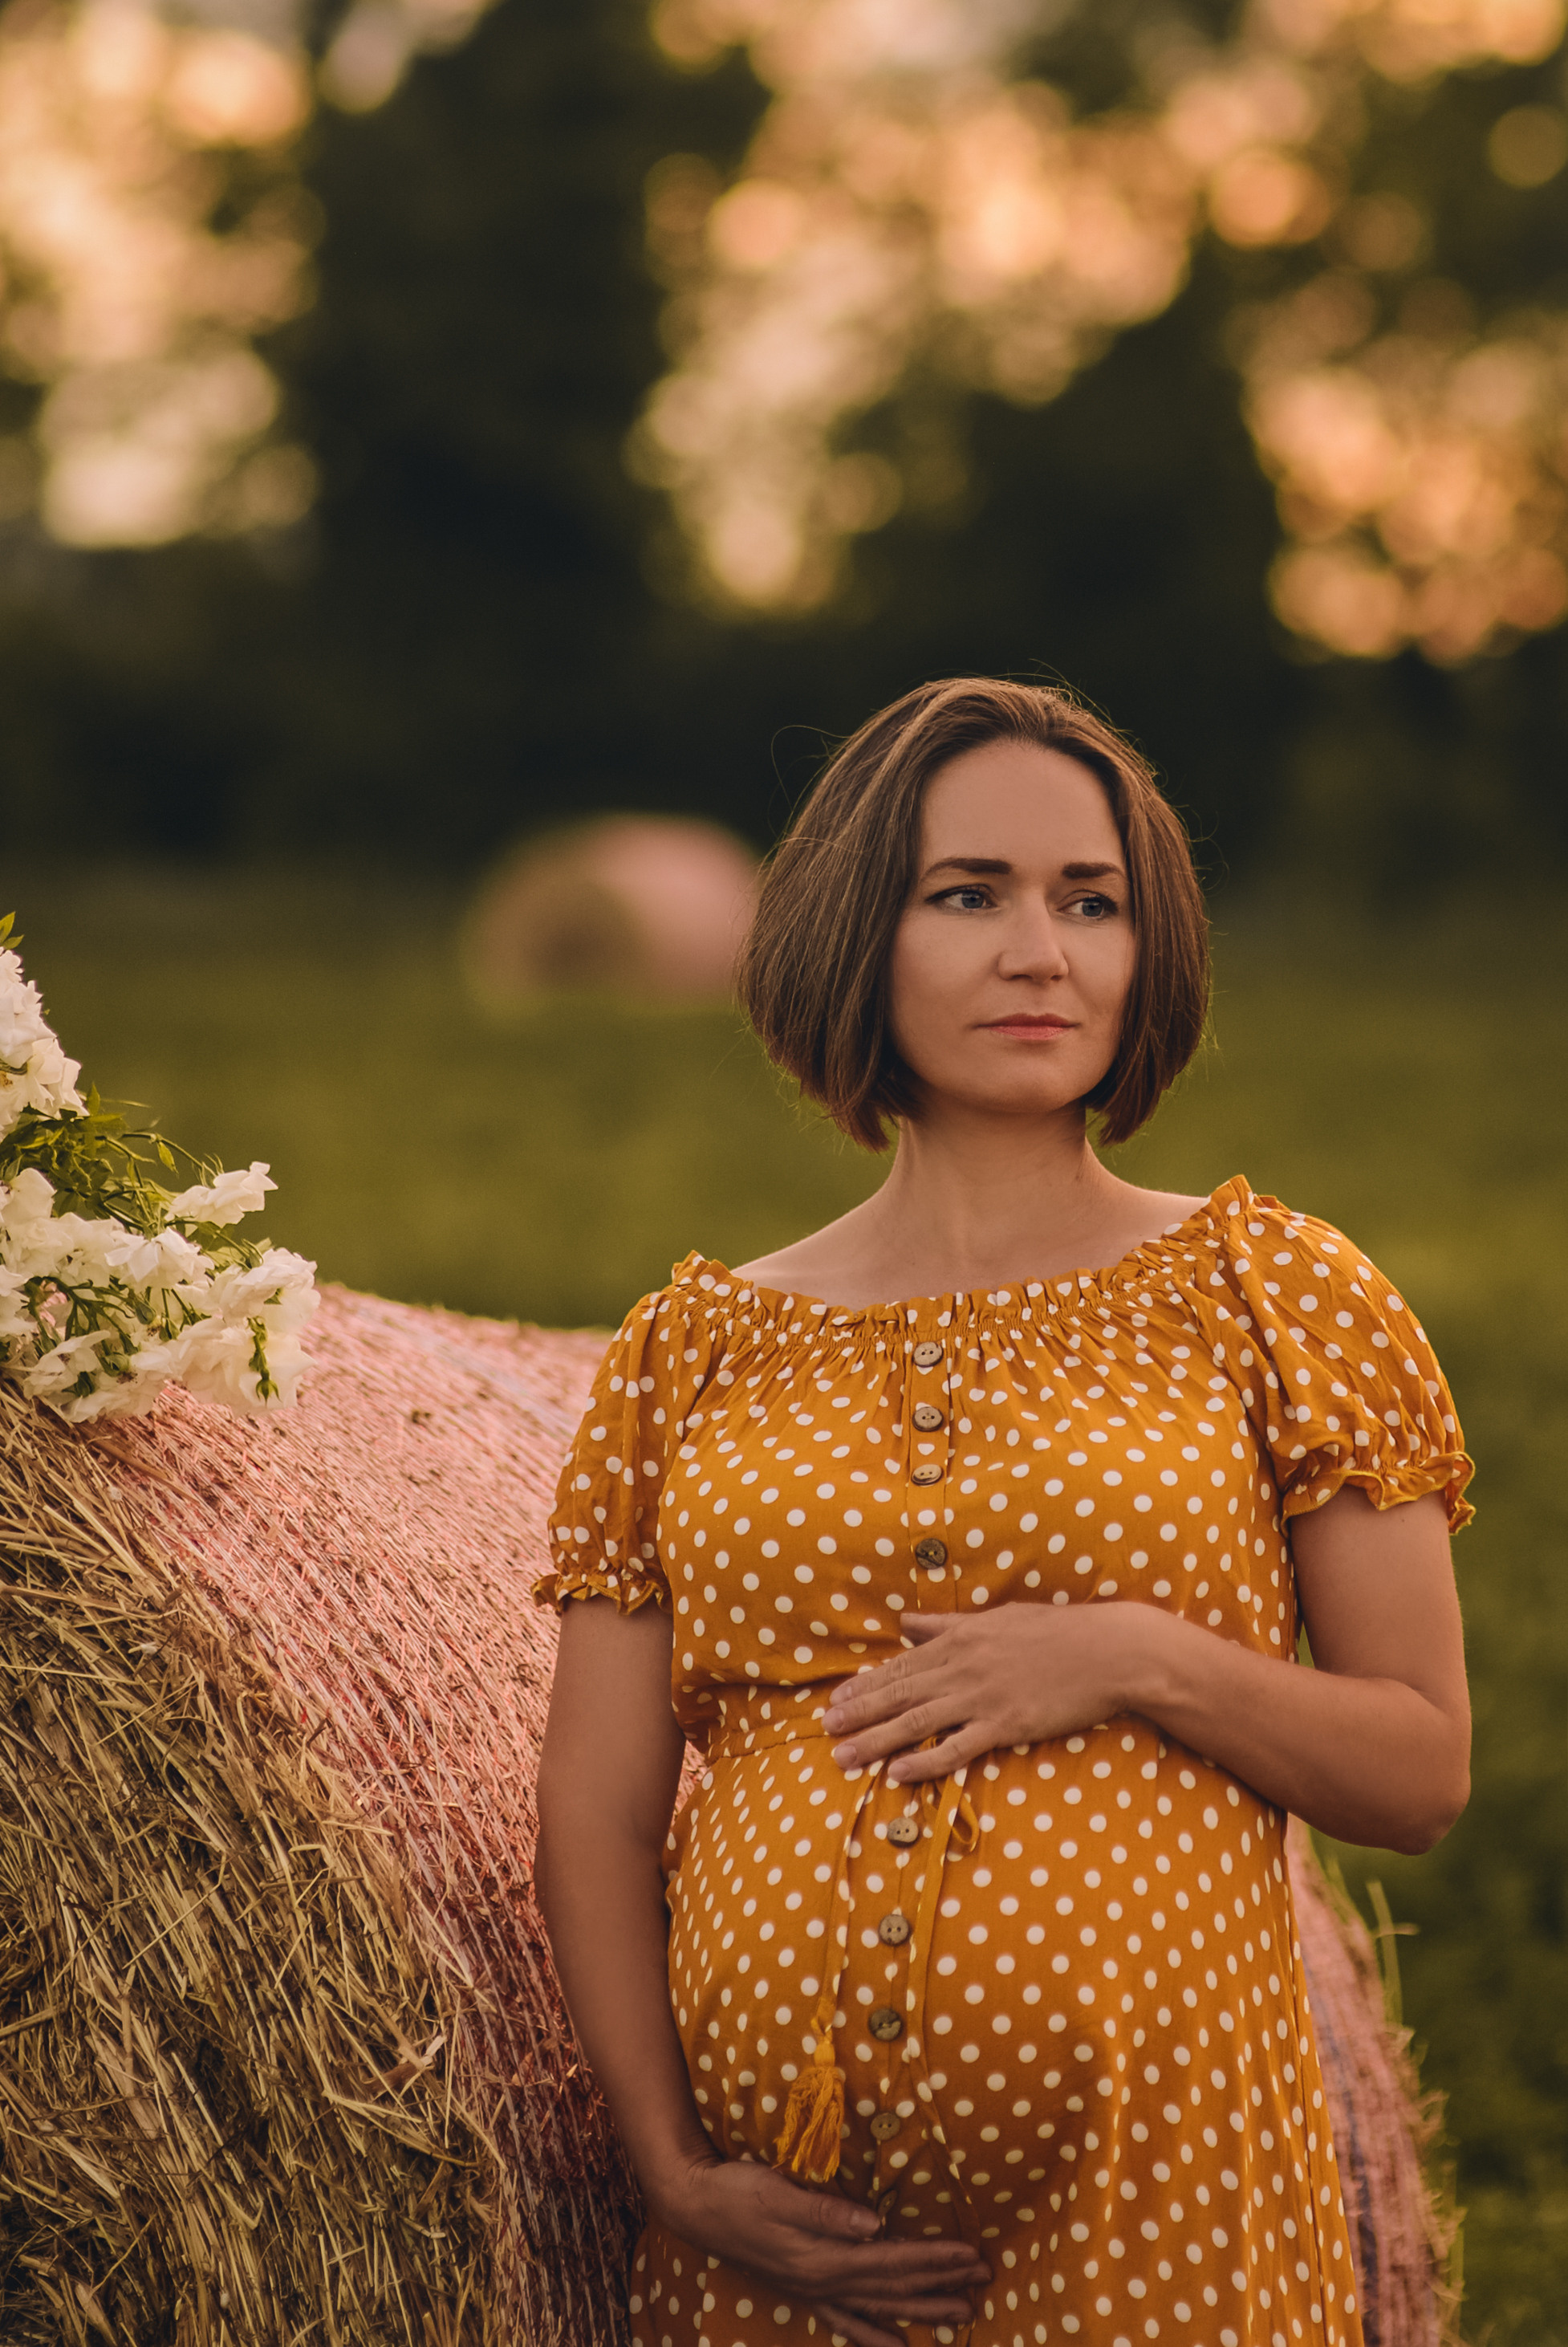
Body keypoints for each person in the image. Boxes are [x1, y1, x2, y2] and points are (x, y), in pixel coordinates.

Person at [533, 677, 1473, 2347]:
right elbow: (598, 1811)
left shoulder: (1273, 1290)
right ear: (853, 932)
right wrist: (671, 2168)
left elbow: (1414, 1766)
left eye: (1089, 901)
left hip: (1157, 2210)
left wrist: (1134, 1658)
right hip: (774, 2257)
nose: (1039, 951)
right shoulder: (685, 1352)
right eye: (965, 893)